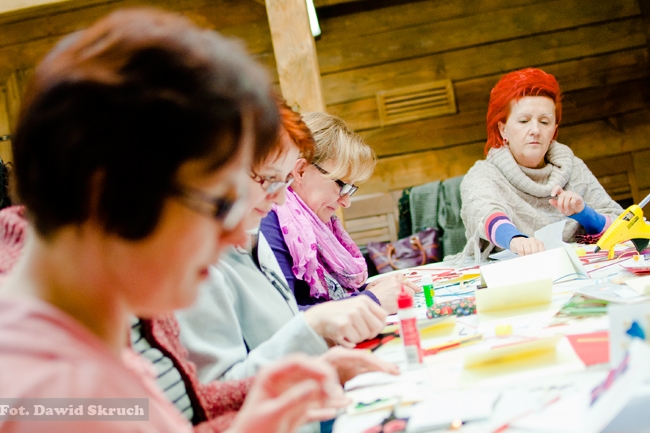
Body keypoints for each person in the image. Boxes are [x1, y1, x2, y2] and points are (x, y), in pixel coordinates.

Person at [0, 9, 346, 433]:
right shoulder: (56, 392)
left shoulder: (93, 310)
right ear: (109, 191)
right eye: (219, 204)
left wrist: (254, 419)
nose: (237, 236)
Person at [176, 100, 397, 386]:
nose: (281, 197)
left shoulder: (254, 233)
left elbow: (281, 327)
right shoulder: (217, 250)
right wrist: (331, 319)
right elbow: (216, 392)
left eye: (283, 181)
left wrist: (326, 359)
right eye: (270, 180)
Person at [260, 112, 418, 315]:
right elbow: (281, 318)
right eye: (342, 185)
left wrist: (368, 291)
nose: (346, 202)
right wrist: (372, 300)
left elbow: (317, 299)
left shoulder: (312, 222)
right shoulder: (268, 221)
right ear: (300, 171)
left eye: (351, 189)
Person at [459, 68, 623, 260]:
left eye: (544, 122)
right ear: (503, 129)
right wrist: (515, 240)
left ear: (554, 130)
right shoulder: (482, 175)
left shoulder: (572, 167)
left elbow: (620, 226)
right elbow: (486, 214)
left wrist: (584, 213)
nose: (535, 130)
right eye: (524, 121)